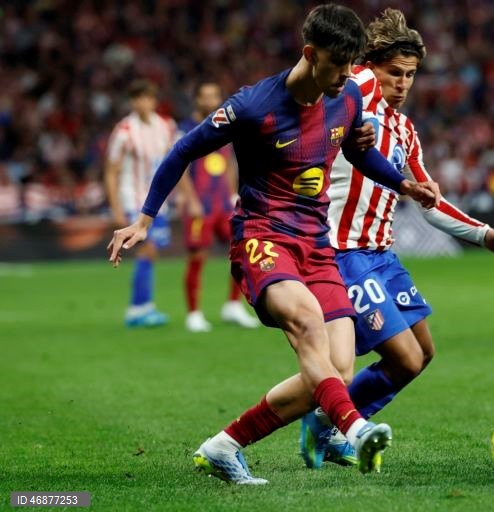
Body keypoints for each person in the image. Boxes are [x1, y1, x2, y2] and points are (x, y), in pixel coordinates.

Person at [107, 4, 439, 484]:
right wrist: (144, 218)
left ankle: (224, 445)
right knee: (307, 325)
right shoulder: (253, 106)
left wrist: (402, 183)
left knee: (337, 374)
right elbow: (183, 149)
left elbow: (354, 149)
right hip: (263, 239)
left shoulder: (345, 97)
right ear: (310, 53)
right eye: (338, 65)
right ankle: (356, 429)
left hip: (317, 246)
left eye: (351, 67)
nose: (347, 76)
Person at [299, 8, 494, 470]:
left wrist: (485, 235)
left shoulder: (404, 130)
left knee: (421, 355)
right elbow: (312, 93)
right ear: (372, 66)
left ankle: (333, 425)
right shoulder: (354, 87)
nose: (402, 83)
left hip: (381, 254)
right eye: (394, 73)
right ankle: (328, 422)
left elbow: (428, 198)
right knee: (401, 355)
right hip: (342, 252)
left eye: (410, 75)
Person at [176, 81, 258, 332]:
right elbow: (177, 168)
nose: (211, 101)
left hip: (224, 204)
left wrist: (234, 193)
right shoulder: (186, 129)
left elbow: (231, 162)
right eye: (206, 96)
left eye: (215, 96)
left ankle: (232, 305)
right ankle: (194, 313)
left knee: (242, 252)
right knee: (198, 257)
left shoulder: (225, 126)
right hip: (200, 206)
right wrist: (190, 200)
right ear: (197, 99)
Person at [104, 79, 177, 328]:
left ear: (154, 100)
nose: (141, 102)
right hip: (132, 199)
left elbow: (175, 163)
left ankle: (144, 306)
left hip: (158, 202)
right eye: (136, 98)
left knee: (152, 251)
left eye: (145, 97)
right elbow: (111, 171)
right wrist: (115, 207)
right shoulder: (124, 131)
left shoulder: (166, 126)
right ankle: (138, 308)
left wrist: (186, 194)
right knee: (147, 249)